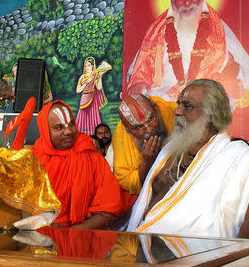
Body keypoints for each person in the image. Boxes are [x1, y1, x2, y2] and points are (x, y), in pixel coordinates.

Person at [127, 79, 249, 239]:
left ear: (211, 114)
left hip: (197, 256)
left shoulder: (241, 159)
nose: (177, 112)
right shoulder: (168, 152)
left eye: (188, 106)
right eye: (179, 104)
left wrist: (236, 255)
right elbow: (149, 198)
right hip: (142, 246)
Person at [126, 0, 249, 109]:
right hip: (163, 100)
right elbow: (137, 70)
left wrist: (225, 85)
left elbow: (245, 74)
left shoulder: (218, 29)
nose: (187, 2)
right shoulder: (157, 31)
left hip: (207, 100)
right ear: (172, 0)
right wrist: (139, 83)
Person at [32, 100, 133, 229]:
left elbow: (109, 208)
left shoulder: (91, 157)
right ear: (45, 131)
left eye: (71, 124)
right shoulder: (33, 160)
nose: (68, 132)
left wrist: (72, 232)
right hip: (37, 238)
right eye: (59, 127)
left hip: (80, 238)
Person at [113, 94, 175, 195]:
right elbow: (126, 180)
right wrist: (146, 162)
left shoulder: (172, 110)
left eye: (150, 119)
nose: (149, 129)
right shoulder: (121, 135)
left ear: (156, 109)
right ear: (128, 130)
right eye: (138, 127)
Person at [76, 57, 109, 135]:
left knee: (93, 115)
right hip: (84, 98)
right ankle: (82, 134)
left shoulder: (95, 76)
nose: (87, 67)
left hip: (93, 98)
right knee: (83, 116)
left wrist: (100, 76)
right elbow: (78, 90)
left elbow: (99, 87)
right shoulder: (82, 77)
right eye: (86, 65)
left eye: (89, 65)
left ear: (93, 66)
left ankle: (94, 134)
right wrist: (87, 82)